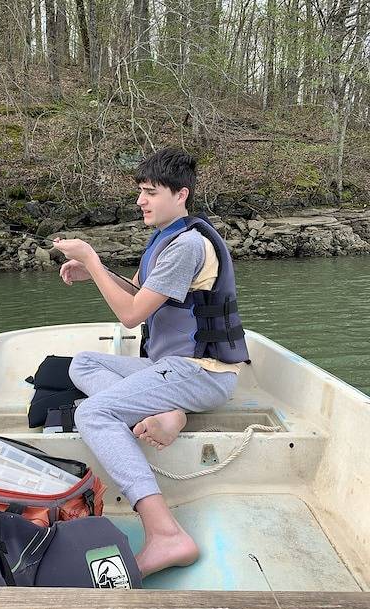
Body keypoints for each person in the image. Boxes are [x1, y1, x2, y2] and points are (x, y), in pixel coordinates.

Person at [53, 148, 250, 578]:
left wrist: (91, 258)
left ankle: (165, 533)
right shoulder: (166, 239)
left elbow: (130, 315)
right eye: (140, 192)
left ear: (181, 195)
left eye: (150, 192)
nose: (141, 201)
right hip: (175, 368)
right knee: (82, 363)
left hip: (201, 372)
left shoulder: (187, 246)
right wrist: (95, 273)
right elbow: (139, 291)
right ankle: (164, 411)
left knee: (94, 412)